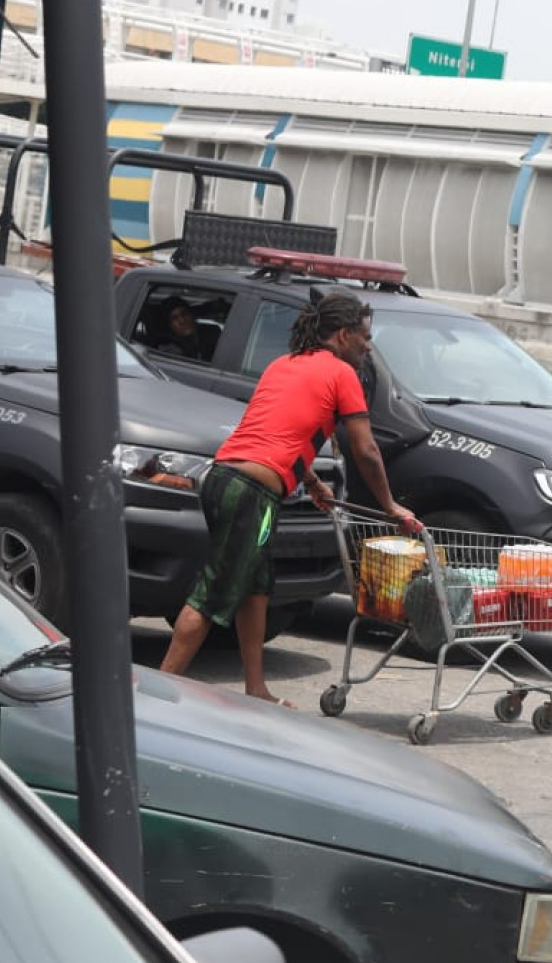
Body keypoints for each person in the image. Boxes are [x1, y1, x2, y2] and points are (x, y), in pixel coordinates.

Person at [160, 289, 420, 705]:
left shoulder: (283, 364)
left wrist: (312, 485)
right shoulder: (342, 375)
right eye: (363, 336)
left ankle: (256, 688)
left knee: (256, 587)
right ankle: (157, 692)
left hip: (224, 479)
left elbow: (281, 433)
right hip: (252, 495)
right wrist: (390, 505)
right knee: (213, 593)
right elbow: (366, 451)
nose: (368, 345)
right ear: (340, 337)